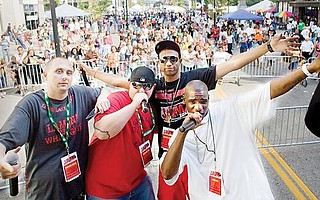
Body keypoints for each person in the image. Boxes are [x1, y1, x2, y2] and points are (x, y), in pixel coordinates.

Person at [80, 36, 297, 200]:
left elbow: (233, 64)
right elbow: (122, 83)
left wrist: (267, 47)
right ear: (159, 63)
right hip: (171, 155)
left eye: (173, 59)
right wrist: (97, 83)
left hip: (198, 152)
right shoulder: (152, 87)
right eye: (164, 59)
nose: (169, 63)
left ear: (180, 61)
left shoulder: (194, 79)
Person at [161, 55, 320, 199]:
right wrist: (183, 132)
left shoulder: (230, 110)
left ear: (209, 99)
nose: (198, 107)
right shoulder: (180, 134)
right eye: (192, 102)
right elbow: (167, 174)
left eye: (203, 101)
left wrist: (309, 68)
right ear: (184, 101)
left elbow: (270, 90)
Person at [0, 57, 110, 200]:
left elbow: (104, 90)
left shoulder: (79, 94)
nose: (65, 76)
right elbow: (5, 139)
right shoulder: (31, 104)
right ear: (45, 75)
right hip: (45, 192)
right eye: (59, 71)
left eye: (69, 73)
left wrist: (102, 97)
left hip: (76, 188)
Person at [85, 66, 156, 200]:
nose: (141, 90)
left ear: (153, 87)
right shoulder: (116, 100)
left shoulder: (150, 104)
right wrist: (134, 105)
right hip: (106, 191)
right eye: (136, 85)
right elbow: (102, 132)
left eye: (147, 86)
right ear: (129, 84)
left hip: (138, 182)